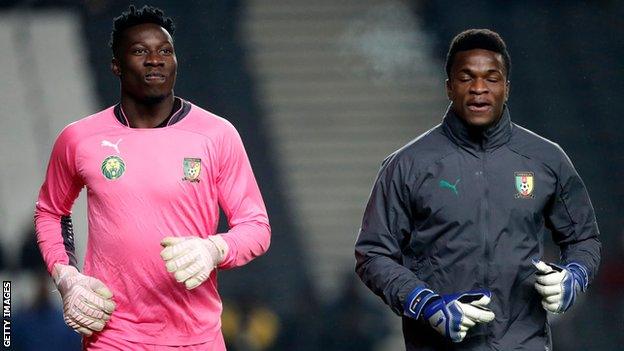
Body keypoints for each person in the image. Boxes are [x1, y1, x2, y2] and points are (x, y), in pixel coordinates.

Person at [34, 5, 270, 350]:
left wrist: (214, 248)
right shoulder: (78, 139)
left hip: (196, 338)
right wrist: (66, 276)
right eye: (140, 51)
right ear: (116, 65)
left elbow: (256, 226)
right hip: (112, 335)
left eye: (165, 51)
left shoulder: (217, 134)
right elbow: (51, 211)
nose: (155, 59)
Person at [354, 29, 600, 350]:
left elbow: (584, 237)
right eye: (466, 78)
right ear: (448, 87)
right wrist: (427, 305)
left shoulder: (547, 159)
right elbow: (372, 254)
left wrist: (574, 276)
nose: (479, 89)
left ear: (507, 88)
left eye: (492, 78)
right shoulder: (407, 165)